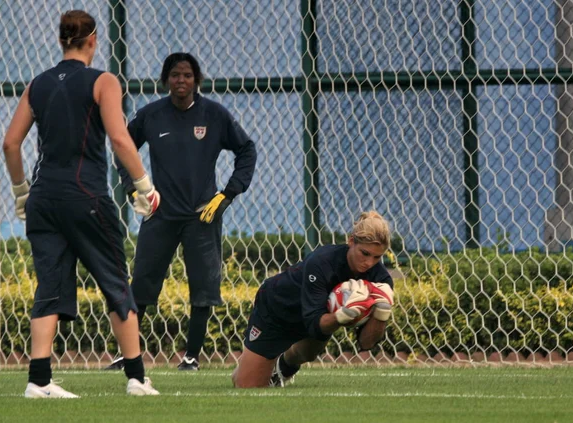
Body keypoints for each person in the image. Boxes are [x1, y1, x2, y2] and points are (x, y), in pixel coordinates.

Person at [2, 10, 161, 398]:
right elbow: (120, 140)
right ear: (93, 40)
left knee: (50, 285)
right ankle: (138, 378)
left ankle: (38, 381)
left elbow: (10, 144)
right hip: (85, 196)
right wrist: (144, 187)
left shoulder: (37, 85)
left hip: (43, 199)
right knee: (115, 282)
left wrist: (21, 192)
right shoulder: (103, 81)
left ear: (61, 40)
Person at [105, 52, 257, 371]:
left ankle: (191, 357)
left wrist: (227, 195)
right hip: (159, 214)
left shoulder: (214, 115)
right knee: (143, 284)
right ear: (165, 80)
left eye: (187, 75)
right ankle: (127, 355)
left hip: (202, 215)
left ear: (196, 79)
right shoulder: (151, 116)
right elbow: (122, 148)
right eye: (175, 75)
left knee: (203, 288)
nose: (181, 81)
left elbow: (247, 149)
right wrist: (135, 189)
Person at [232, 211, 394, 388]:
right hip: (277, 309)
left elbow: (366, 343)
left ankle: (282, 367)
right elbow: (314, 323)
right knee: (247, 387)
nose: (369, 263)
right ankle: (249, 366)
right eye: (364, 253)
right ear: (351, 241)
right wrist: (342, 316)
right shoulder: (322, 262)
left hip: (315, 317)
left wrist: (382, 312)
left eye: (377, 257)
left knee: (310, 353)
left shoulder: (381, 281)